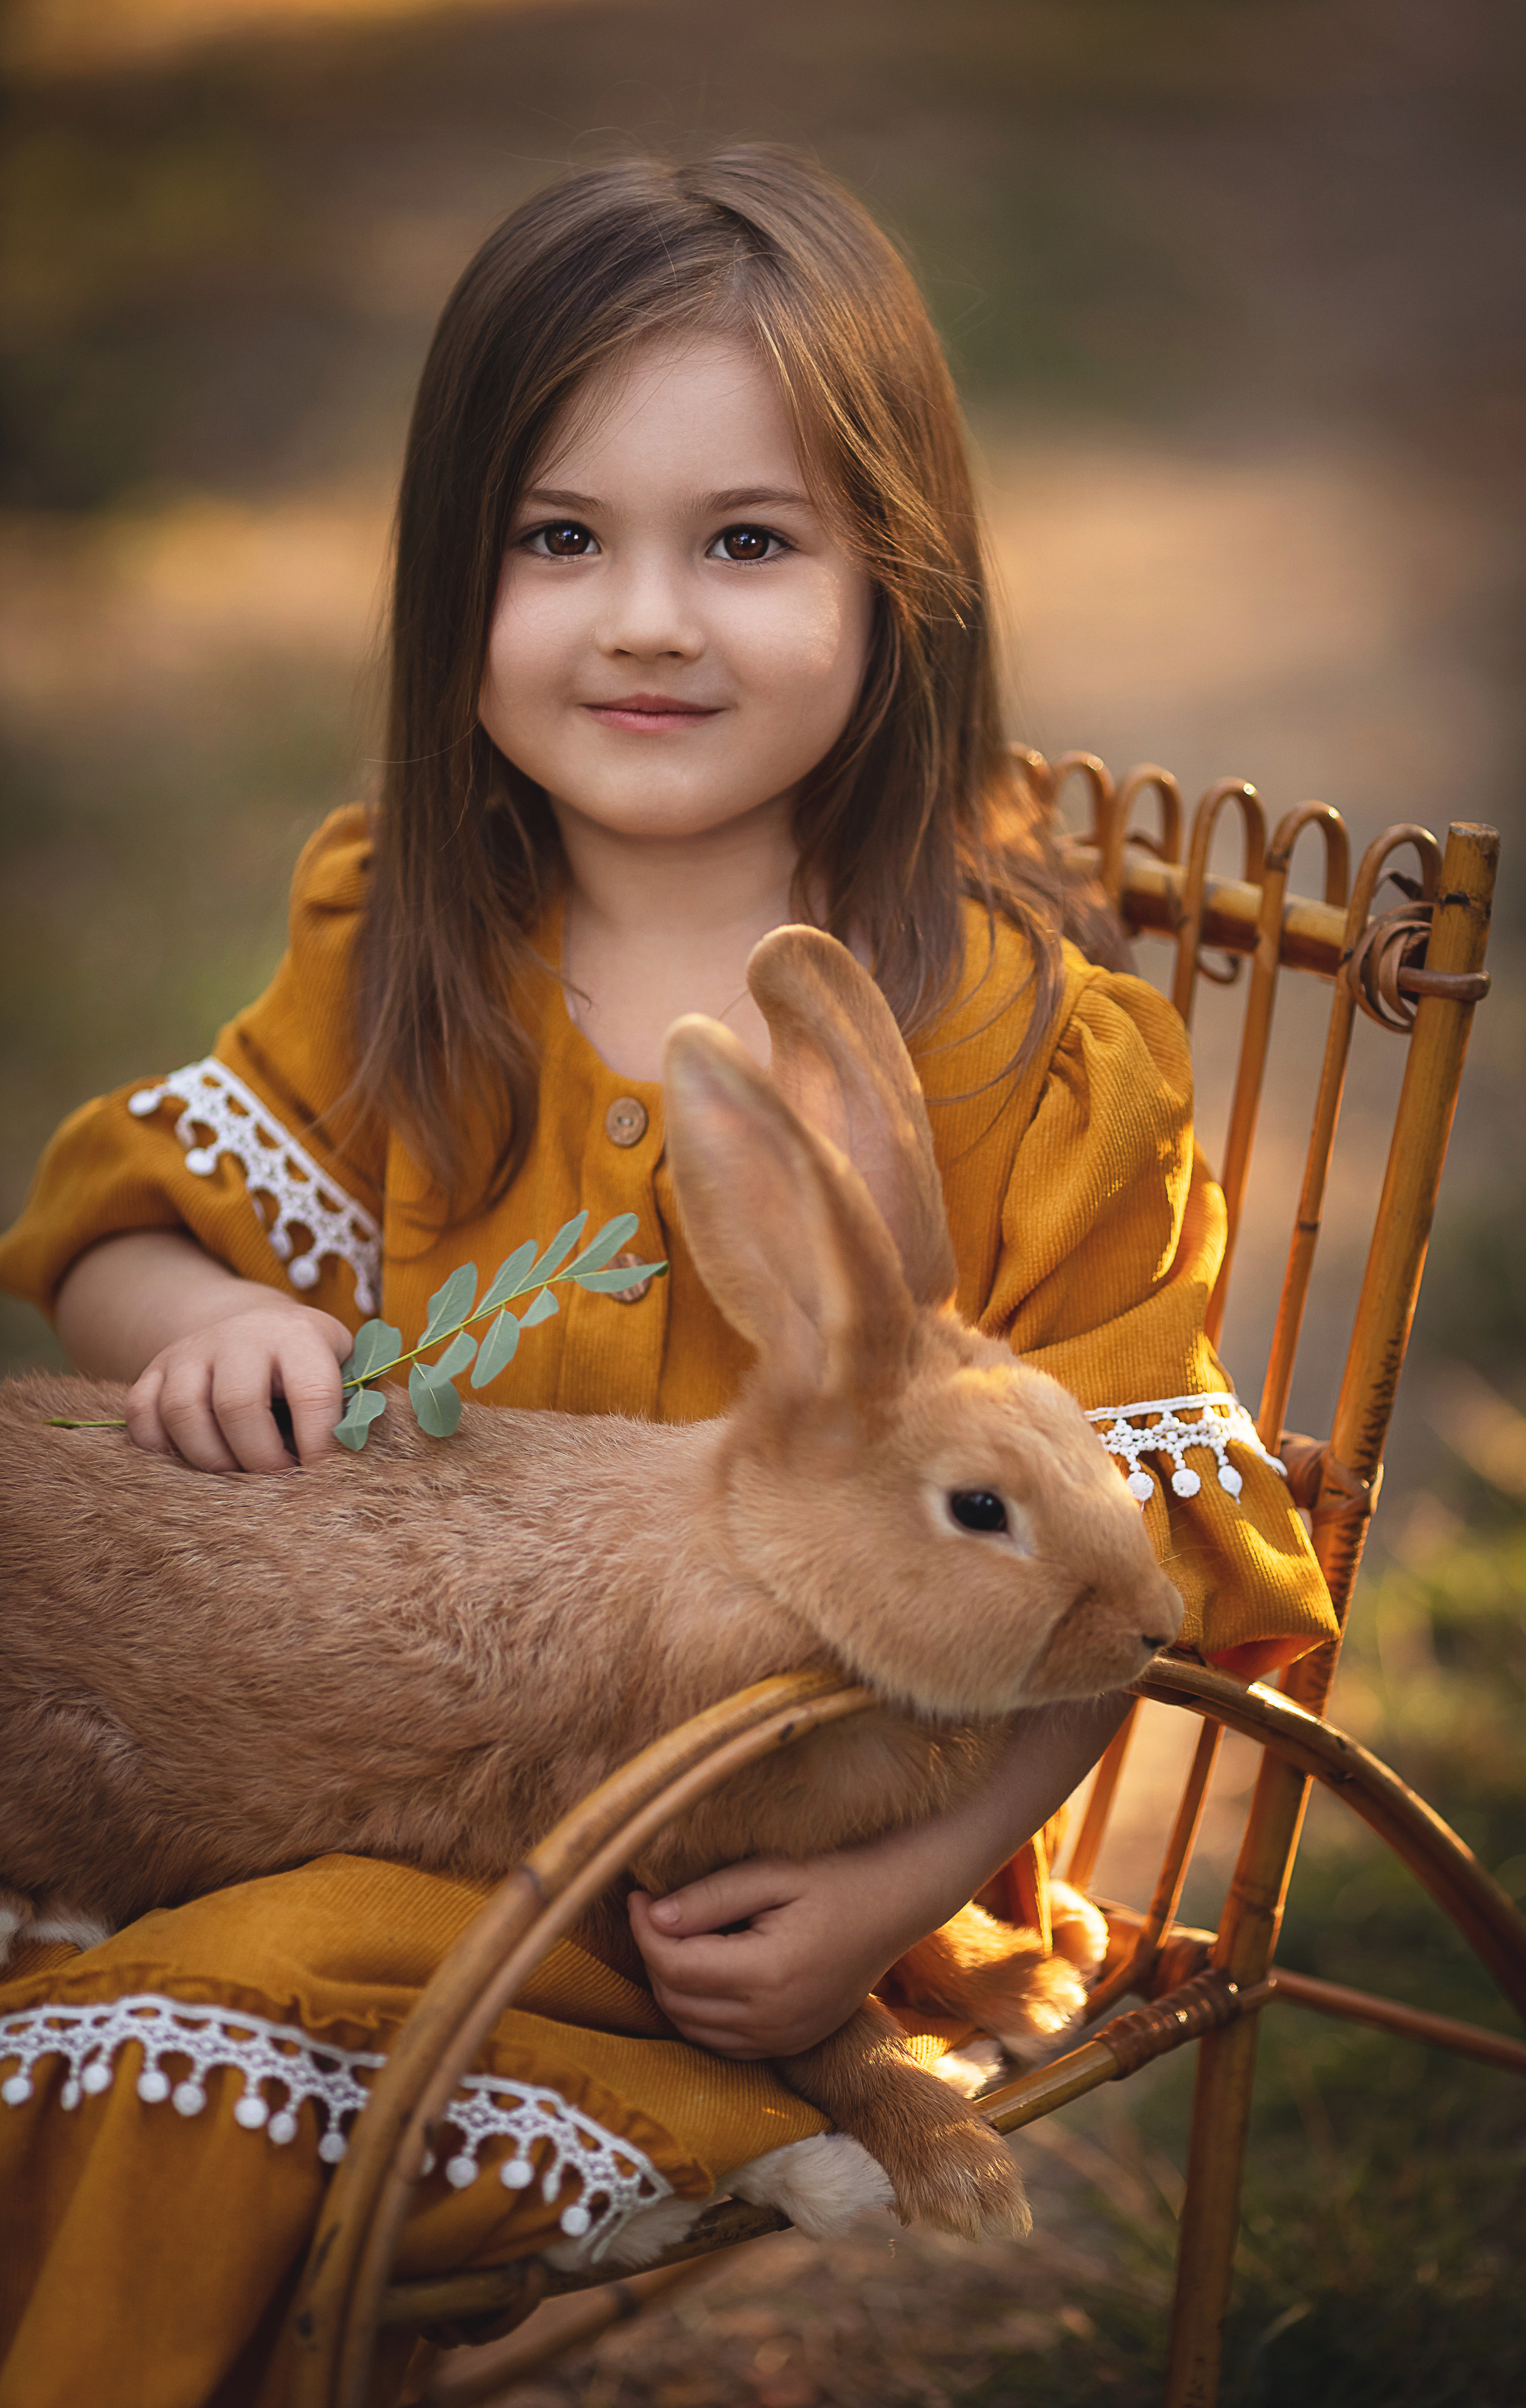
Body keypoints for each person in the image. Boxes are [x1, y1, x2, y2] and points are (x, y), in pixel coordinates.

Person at [0, 148, 1334, 2405]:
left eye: (744, 540)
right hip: (333, 1769)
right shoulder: (408, 938)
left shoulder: (1026, 1056)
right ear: (454, 589)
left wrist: (889, 1908)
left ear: (893, 584)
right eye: (558, 537)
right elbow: (119, 1237)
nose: (644, 618)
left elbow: (1128, 1585)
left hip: (767, 1883)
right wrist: (208, 1323)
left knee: (195, 2026)